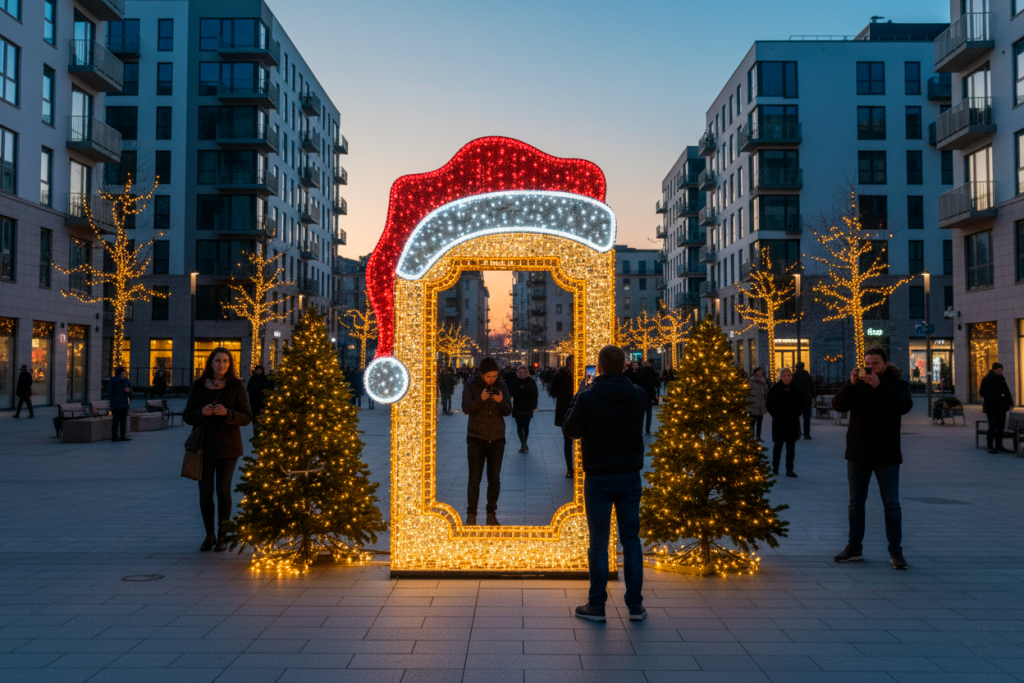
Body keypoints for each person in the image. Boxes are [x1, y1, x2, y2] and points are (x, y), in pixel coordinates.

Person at [562, 345, 648, 623]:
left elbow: (570, 430)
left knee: (599, 540)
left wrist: (579, 394)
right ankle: (635, 606)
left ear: (598, 368)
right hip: (629, 475)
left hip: (598, 476)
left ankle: (596, 605)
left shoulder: (588, 399)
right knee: (631, 540)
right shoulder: (639, 395)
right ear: (624, 366)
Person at [831, 346, 913, 570]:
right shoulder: (858, 386)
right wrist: (851, 384)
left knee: (892, 505)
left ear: (885, 364)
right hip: (858, 452)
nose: (871, 367)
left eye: (876, 363)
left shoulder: (896, 384)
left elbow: (904, 406)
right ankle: (854, 548)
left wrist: (880, 386)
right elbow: (838, 405)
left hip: (887, 453)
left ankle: (896, 551)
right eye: (868, 363)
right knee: (855, 503)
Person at [183, 347, 253, 552]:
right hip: (203, 448)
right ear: (210, 363)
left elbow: (247, 417)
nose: (221, 364)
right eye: (217, 361)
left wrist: (227, 413)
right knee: (205, 494)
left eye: (225, 361)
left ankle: (223, 535)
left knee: (223, 491)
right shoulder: (198, 386)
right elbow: (187, 416)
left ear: (230, 364)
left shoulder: (236, 386)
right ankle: (209, 535)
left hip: (228, 448)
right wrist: (201, 412)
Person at [461, 357, 512, 526]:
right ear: (482, 375)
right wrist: (481, 398)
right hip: (476, 438)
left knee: (494, 478)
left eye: (495, 376)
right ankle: (471, 515)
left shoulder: (501, 385)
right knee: (474, 478)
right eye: (489, 376)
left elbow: (507, 411)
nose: (493, 379)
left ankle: (491, 513)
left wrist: (501, 401)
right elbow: (466, 408)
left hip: (497, 438)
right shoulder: (470, 385)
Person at [765, 368, 805, 477]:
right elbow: (769, 404)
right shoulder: (774, 389)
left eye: (788, 375)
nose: (786, 378)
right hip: (779, 422)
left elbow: (801, 403)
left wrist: (796, 414)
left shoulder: (796, 389)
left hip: (792, 423)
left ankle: (789, 469)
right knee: (778, 446)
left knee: (790, 448)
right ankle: (775, 467)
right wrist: (775, 414)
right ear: (780, 377)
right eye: (784, 376)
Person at [980, 362, 1015, 454]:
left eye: (1001, 370)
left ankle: (999, 445)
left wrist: (1010, 402)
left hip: (1001, 407)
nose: (1000, 372)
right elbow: (982, 392)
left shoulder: (1001, 379)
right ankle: (990, 446)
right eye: (999, 370)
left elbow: (1006, 391)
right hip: (991, 407)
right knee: (993, 426)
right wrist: (996, 395)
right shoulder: (987, 379)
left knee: (1000, 427)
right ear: (994, 370)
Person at [549, 358, 576, 478]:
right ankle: (570, 468)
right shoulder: (560, 375)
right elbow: (553, 392)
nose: (573, 366)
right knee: (568, 440)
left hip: (582, 408)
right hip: (566, 410)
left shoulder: (585, 374)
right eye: (572, 364)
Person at [510, 365, 538, 453]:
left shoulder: (531, 381)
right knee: (519, 426)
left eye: (524, 372)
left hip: (527, 407)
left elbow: (535, 394)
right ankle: (523, 443)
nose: (522, 374)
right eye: (520, 372)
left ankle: (524, 443)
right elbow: (512, 392)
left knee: (526, 426)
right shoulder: (516, 381)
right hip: (518, 407)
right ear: (518, 373)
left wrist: (534, 405)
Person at [792, 361, 816, 439]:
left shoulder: (794, 376)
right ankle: (806, 434)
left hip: (796, 400)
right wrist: (813, 396)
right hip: (807, 400)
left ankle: (797, 433)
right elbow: (813, 387)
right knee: (807, 418)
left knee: (796, 418)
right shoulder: (807, 376)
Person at [108, 367, 133, 442]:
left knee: (119, 421)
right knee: (120, 421)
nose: (124, 374)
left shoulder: (124, 381)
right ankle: (118, 436)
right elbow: (111, 392)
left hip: (120, 403)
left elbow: (110, 392)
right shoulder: (121, 381)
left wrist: (128, 391)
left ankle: (117, 436)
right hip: (119, 403)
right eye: (123, 373)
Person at [246, 365, 271, 435]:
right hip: (254, 400)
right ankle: (256, 430)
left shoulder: (264, 379)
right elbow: (249, 388)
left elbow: (267, 387)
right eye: (258, 370)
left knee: (262, 414)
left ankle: (262, 429)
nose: (259, 372)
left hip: (262, 400)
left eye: (260, 370)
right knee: (255, 415)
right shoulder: (253, 379)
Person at [637, 362, 660, 435]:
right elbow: (656, 381)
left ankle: (640, 428)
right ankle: (648, 428)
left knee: (641, 412)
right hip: (650, 393)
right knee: (649, 411)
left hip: (642, 392)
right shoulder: (652, 371)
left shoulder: (640, 371)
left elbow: (638, 381)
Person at [747, 367, 769, 440]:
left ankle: (758, 437)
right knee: (752, 422)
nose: (760, 373)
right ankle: (751, 436)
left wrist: (764, 382)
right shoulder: (752, 381)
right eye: (759, 371)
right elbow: (748, 391)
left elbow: (766, 390)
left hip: (760, 404)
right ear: (755, 372)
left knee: (760, 422)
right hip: (753, 404)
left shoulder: (763, 380)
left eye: (761, 371)